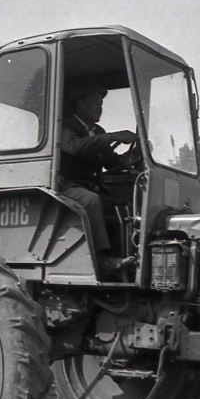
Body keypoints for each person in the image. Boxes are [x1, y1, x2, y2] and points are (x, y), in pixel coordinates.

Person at [58, 81, 139, 277]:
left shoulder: (98, 132)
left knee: (124, 204)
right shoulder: (66, 124)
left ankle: (129, 257)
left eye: (101, 103)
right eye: (94, 102)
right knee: (91, 201)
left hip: (92, 186)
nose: (99, 107)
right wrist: (112, 136)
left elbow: (111, 163)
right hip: (68, 186)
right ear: (79, 103)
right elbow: (73, 146)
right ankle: (103, 260)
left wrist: (131, 160)